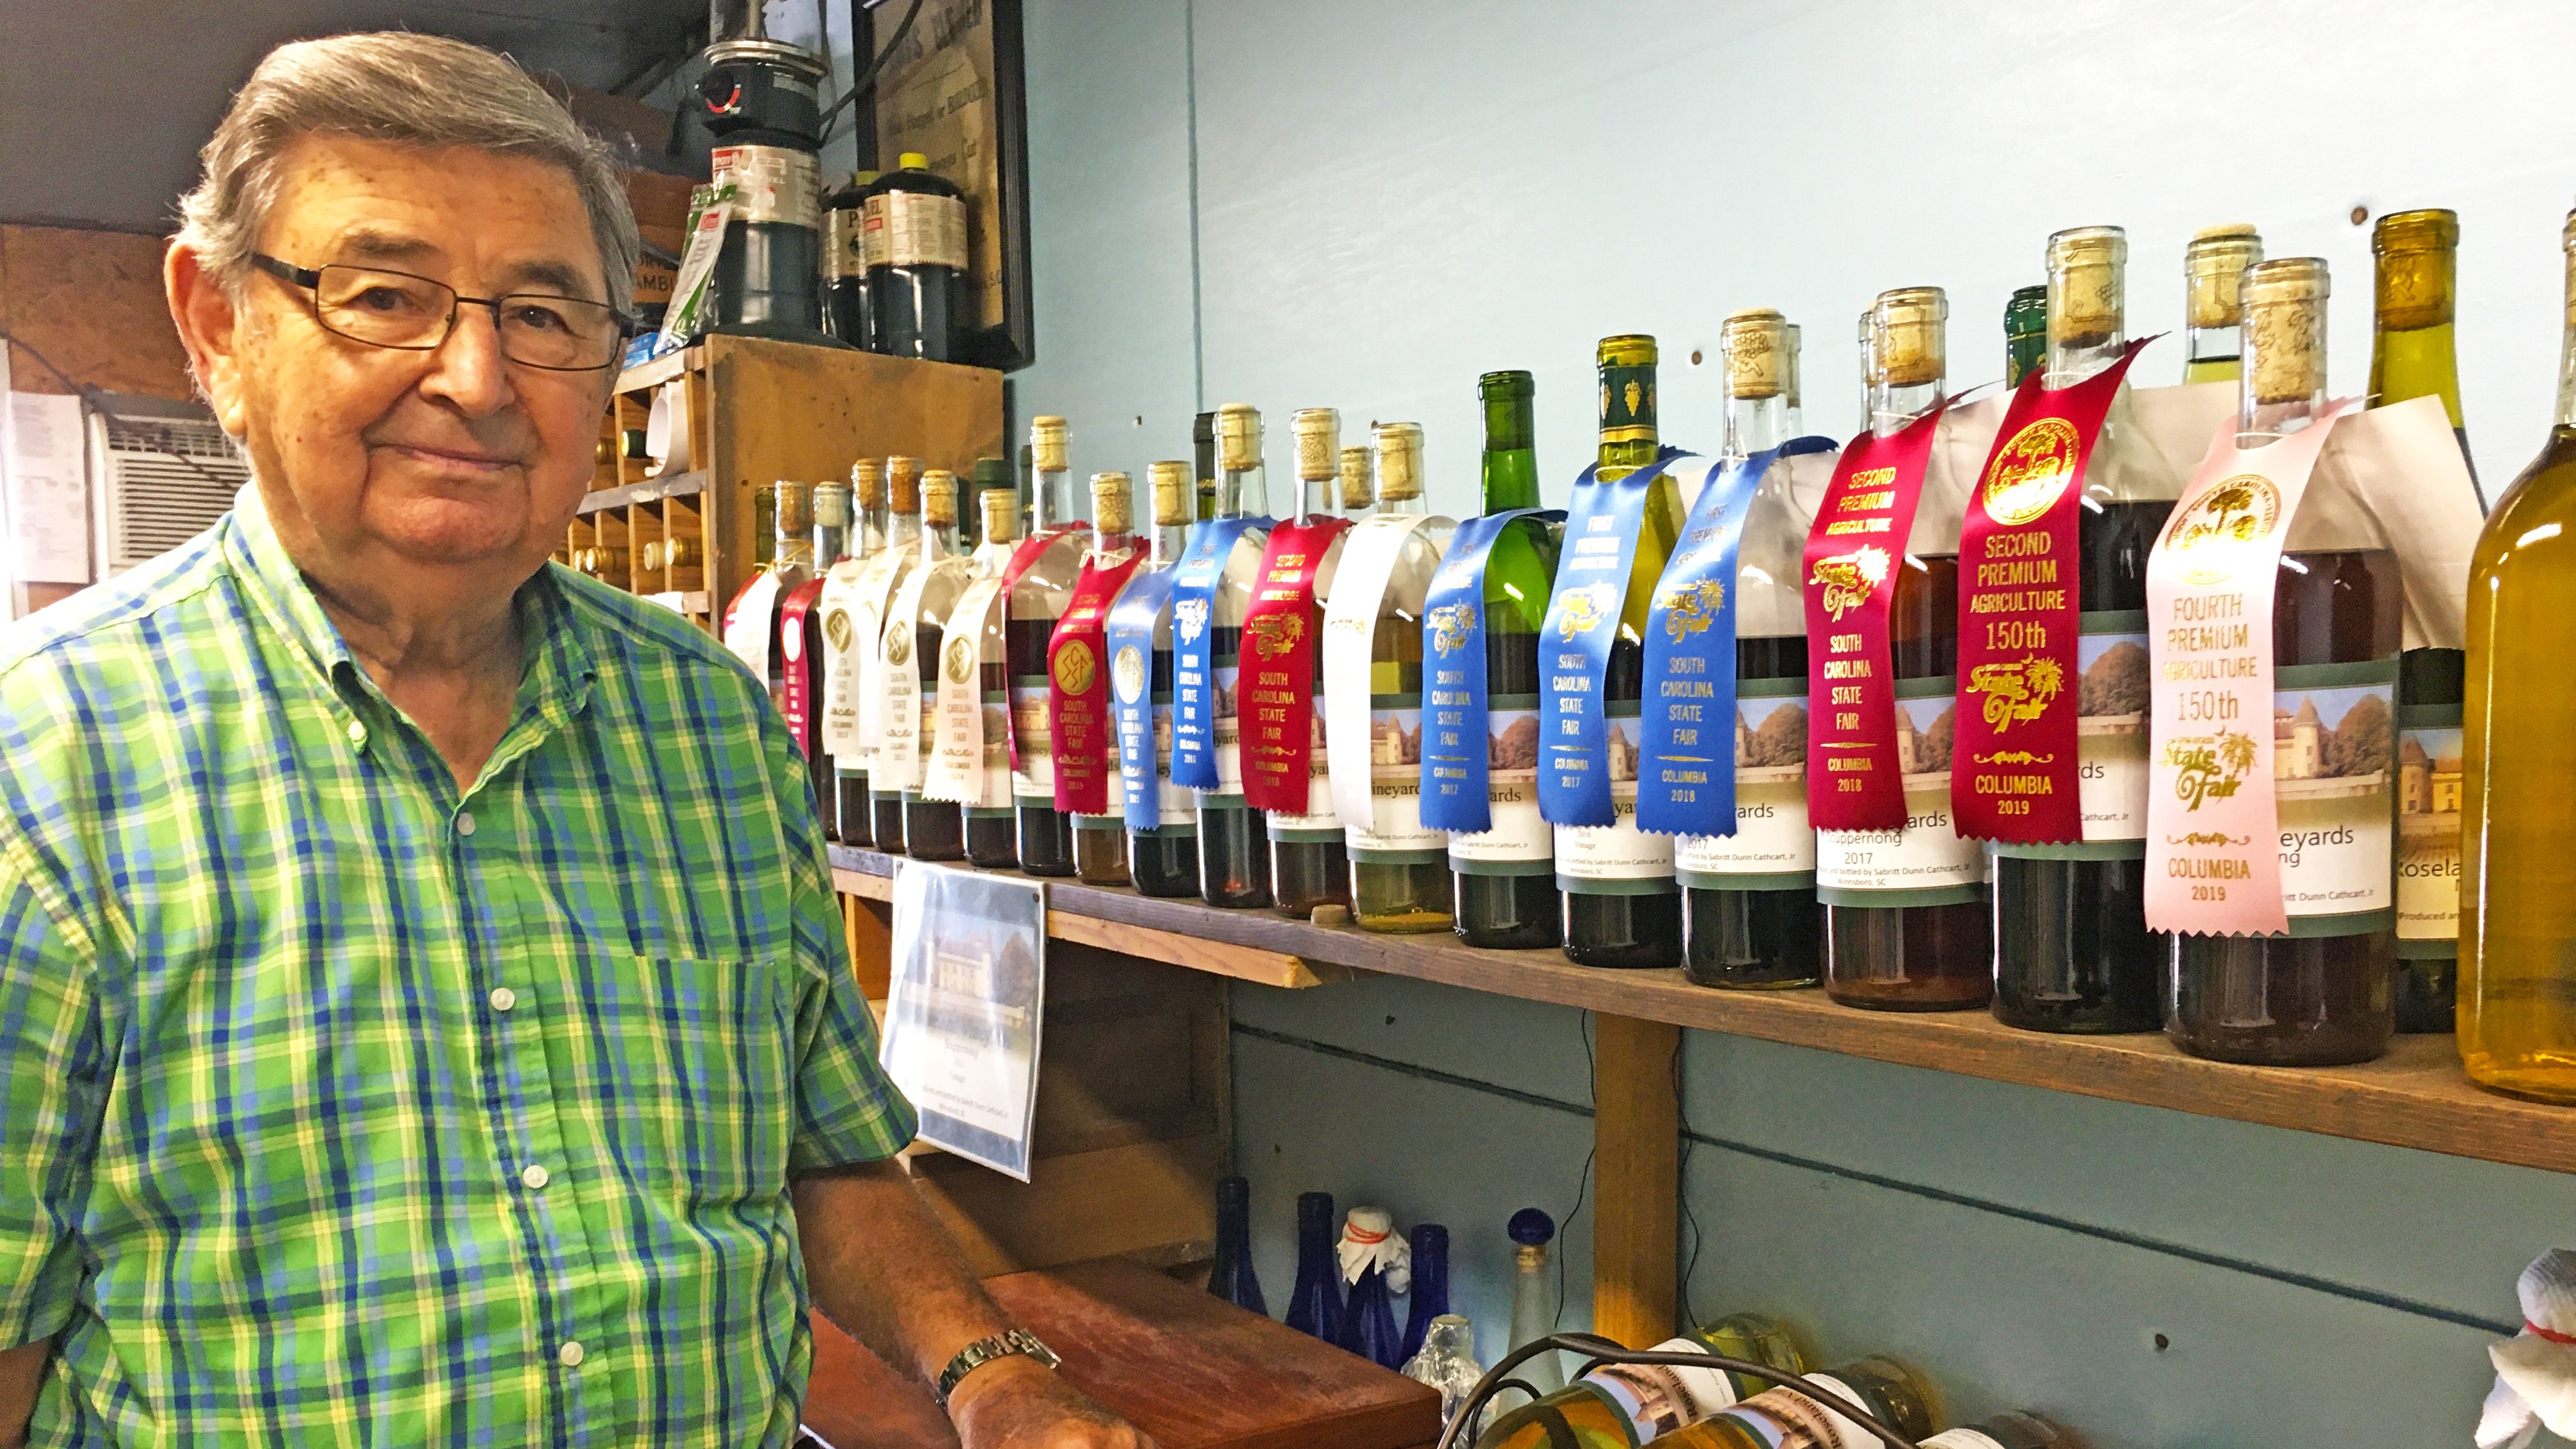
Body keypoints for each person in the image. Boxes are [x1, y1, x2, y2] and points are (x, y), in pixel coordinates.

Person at [0, 33, 1149, 1449]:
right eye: (384, 296)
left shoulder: (708, 722)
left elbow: (826, 1158)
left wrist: (994, 1374)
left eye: (545, 315)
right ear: (219, 326)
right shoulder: (43, 768)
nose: (479, 378)